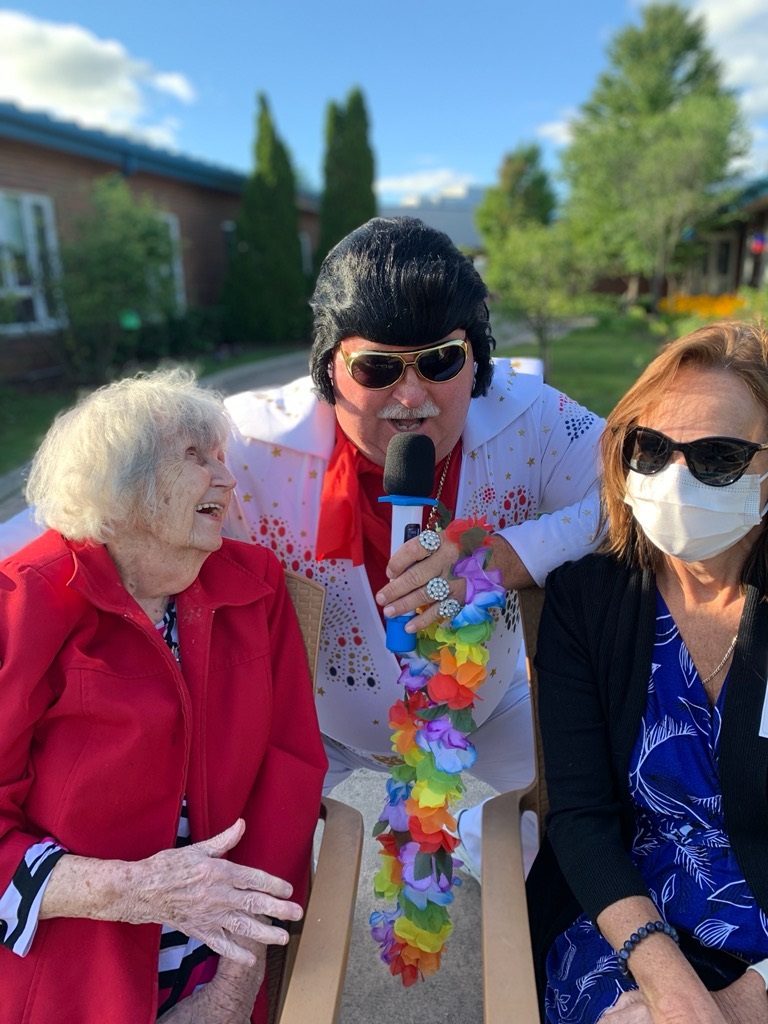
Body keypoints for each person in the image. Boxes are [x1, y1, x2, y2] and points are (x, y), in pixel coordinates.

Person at [223, 215, 605, 870]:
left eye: (439, 362)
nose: (410, 396)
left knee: (588, 822)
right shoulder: (248, 442)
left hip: (486, 710)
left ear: (476, 358)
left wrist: (501, 557)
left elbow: (639, 488)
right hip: (317, 732)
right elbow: (91, 511)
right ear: (329, 369)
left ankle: (488, 842)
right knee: (256, 883)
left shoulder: (530, 415)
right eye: (375, 367)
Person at [0, 368, 327, 1023]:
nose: (228, 480)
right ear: (121, 488)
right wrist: (126, 889)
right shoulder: (25, 602)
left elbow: (288, 773)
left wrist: (234, 988)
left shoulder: (254, 586)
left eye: (221, 457)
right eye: (195, 457)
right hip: (70, 974)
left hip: (216, 970)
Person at [528, 320, 768, 1023]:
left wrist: (747, 1000)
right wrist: (675, 989)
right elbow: (581, 819)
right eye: (653, 449)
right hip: (627, 922)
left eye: (719, 456)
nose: (676, 477)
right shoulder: (587, 603)